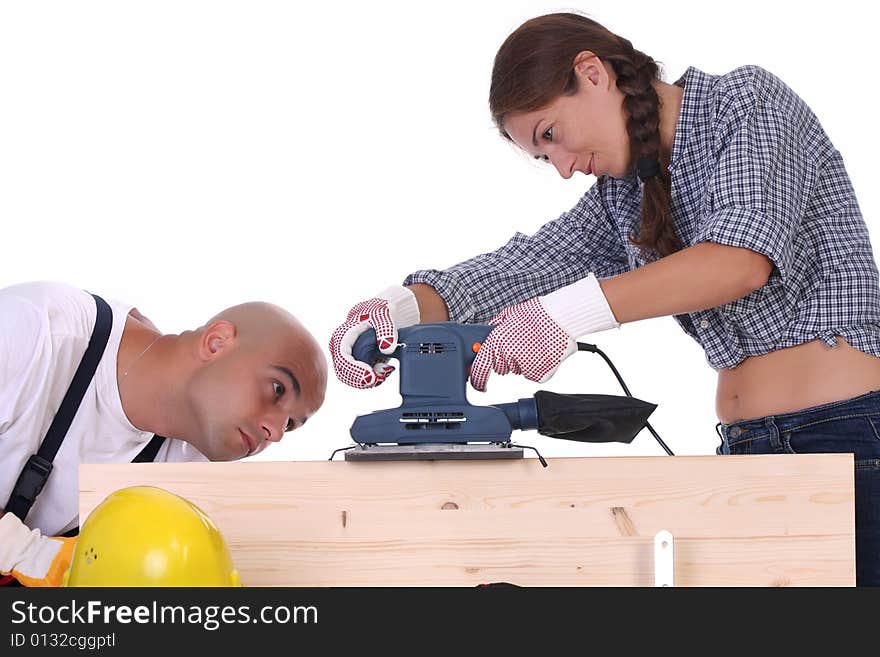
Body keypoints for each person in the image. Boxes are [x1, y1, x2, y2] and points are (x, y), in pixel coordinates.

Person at [329, 12, 880, 586]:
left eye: (550, 135)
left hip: (844, 439)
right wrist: (400, 309)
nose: (564, 168)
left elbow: (737, 260)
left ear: (591, 73)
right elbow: (524, 268)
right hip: (746, 453)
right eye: (545, 159)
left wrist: (564, 317)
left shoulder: (745, 103)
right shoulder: (626, 194)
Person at [0, 280, 327, 586]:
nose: (275, 433)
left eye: (290, 424)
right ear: (216, 343)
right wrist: (32, 554)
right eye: (276, 388)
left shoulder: (187, 484)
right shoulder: (36, 330)